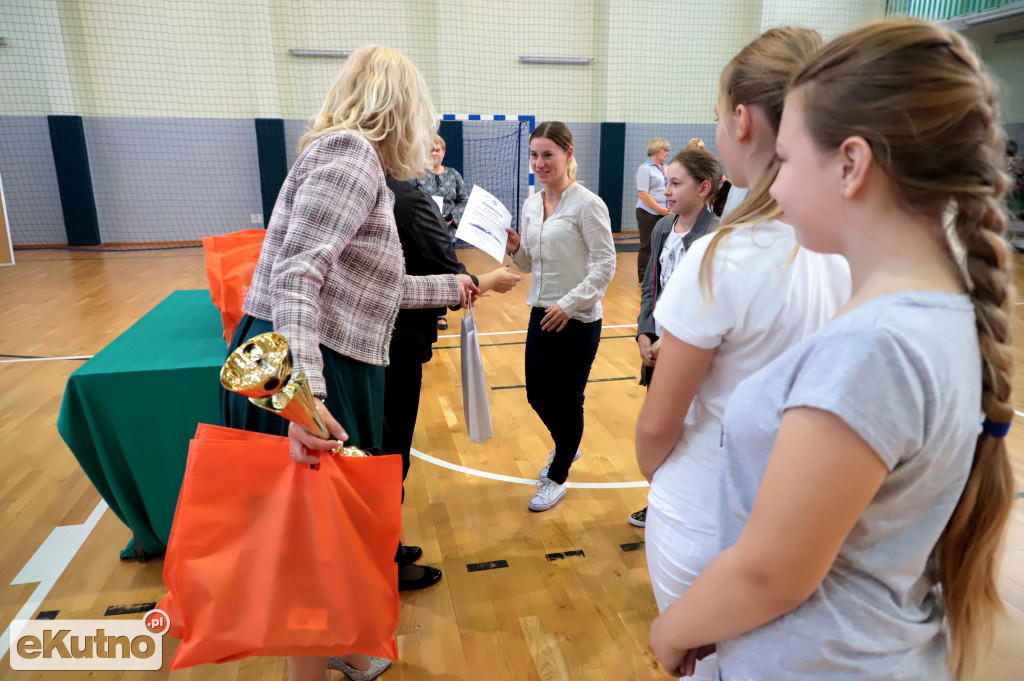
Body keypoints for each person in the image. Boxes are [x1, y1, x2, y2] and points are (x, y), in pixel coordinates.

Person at [650, 20, 1015, 681]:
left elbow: (772, 570)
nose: (776, 186)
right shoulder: (939, 309)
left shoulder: (874, 346)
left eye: (786, 161)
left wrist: (674, 626)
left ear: (851, 164)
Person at [220, 45, 477, 681]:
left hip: (312, 363)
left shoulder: (345, 158)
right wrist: (301, 401)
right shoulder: (351, 156)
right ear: (403, 108)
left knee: (321, 537)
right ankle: (322, 664)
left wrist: (463, 286)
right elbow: (298, 274)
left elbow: (370, 288)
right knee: (308, 547)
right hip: (306, 369)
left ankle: (346, 649)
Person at [635, 27, 851, 681]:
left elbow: (656, 423)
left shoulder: (722, 256)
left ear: (741, 121)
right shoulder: (851, 247)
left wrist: (660, 478)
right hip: (804, 523)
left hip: (707, 515)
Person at [384, 173, 520, 589]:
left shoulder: (384, 191)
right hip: (396, 347)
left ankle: (388, 545)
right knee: (391, 458)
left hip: (379, 346)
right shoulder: (409, 199)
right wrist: (485, 281)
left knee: (383, 452)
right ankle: (387, 561)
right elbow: (449, 275)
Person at [504, 121, 616, 512]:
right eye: (534, 155)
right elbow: (531, 262)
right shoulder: (533, 204)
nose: (539, 163)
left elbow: (605, 265)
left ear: (568, 154)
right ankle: (568, 444)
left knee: (569, 400)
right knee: (536, 393)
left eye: (548, 154)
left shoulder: (588, 204)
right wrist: (517, 249)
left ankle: (558, 476)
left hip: (578, 318)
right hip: (541, 312)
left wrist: (569, 304)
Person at [628, 149, 722, 529]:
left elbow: (710, 301)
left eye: (675, 183)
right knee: (663, 426)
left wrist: (675, 340)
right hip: (659, 348)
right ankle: (661, 500)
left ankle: (696, 505)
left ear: (703, 188)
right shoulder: (665, 228)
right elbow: (651, 286)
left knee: (692, 430)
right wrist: (645, 333)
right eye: (666, 182)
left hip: (693, 351)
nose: (666, 191)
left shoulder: (717, 237)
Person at [414, 134, 470, 331]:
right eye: (430, 150)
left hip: (447, 234)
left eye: (438, 149)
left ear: (444, 152)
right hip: (423, 233)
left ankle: (440, 314)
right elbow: (412, 203)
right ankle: (423, 312)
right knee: (425, 272)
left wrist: (452, 218)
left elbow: (463, 200)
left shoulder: (454, 175)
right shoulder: (416, 174)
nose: (434, 153)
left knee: (445, 273)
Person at [636, 138, 671, 282]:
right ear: (656, 150)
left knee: (664, 245)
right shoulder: (645, 168)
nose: (667, 153)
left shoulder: (667, 168)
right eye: (665, 150)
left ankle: (660, 274)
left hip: (666, 212)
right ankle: (644, 277)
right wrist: (659, 209)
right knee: (648, 245)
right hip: (648, 213)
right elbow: (643, 193)